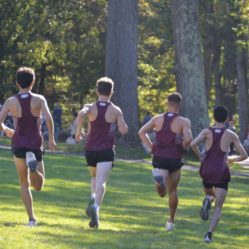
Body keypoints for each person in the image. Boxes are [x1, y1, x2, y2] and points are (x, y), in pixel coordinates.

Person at [0, 67, 56, 226]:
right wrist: (51, 139)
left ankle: (31, 219)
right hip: (35, 143)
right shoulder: (39, 99)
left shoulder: (11, 101)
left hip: (18, 143)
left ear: (17, 82)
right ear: (33, 82)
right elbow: (49, 119)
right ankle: (34, 168)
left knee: (24, 183)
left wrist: (5, 130)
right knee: (38, 185)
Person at [75, 77, 128, 229]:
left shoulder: (90, 107)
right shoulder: (115, 110)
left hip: (90, 150)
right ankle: (96, 207)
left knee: (94, 177)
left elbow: (80, 114)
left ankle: (93, 200)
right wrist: (120, 121)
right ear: (111, 92)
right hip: (106, 150)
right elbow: (124, 130)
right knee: (101, 182)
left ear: (97, 91)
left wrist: (78, 133)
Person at [190, 106, 247, 243]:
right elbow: (244, 155)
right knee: (219, 207)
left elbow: (192, 144)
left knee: (210, 193)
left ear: (214, 118)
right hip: (221, 171)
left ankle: (208, 199)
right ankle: (208, 234)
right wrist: (231, 160)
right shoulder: (231, 134)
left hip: (207, 171)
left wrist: (201, 157)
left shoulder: (206, 132)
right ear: (227, 119)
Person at [138, 92, 192, 231]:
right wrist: (183, 147)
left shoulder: (157, 119)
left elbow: (141, 132)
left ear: (168, 104)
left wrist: (151, 148)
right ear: (179, 105)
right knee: (173, 190)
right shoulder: (184, 121)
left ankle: (159, 181)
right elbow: (189, 139)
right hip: (175, 159)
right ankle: (170, 222)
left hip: (160, 157)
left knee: (162, 193)